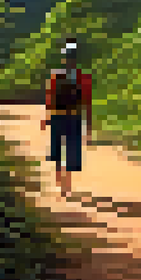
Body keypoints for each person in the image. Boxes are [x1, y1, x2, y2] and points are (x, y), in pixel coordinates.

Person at [40, 38, 92, 192]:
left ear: (64, 58)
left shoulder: (55, 75)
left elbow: (49, 98)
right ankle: (67, 183)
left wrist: (46, 117)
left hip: (57, 116)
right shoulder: (83, 77)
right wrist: (88, 124)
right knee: (71, 148)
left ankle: (59, 179)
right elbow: (87, 102)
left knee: (57, 148)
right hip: (74, 116)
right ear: (76, 59)